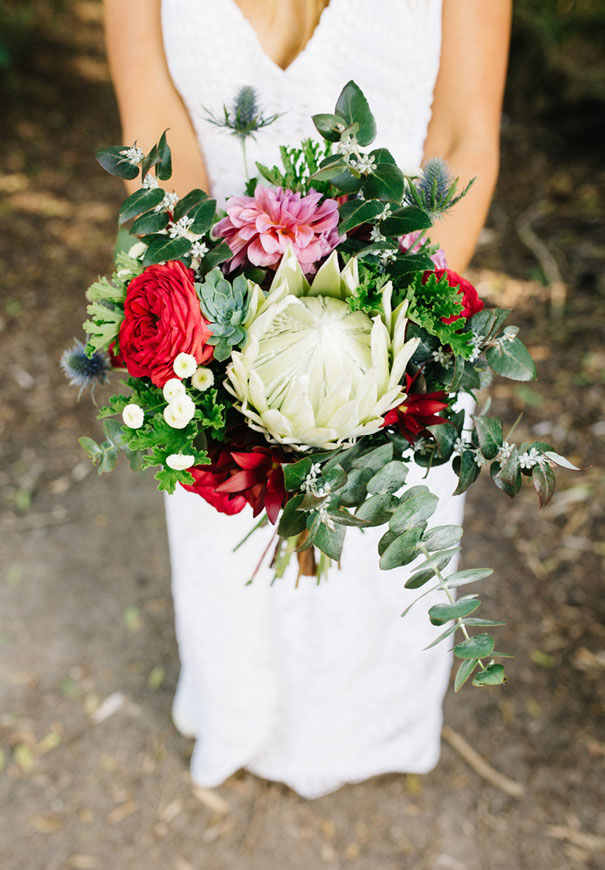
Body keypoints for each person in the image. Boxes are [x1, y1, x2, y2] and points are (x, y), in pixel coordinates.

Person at [103, 0, 512, 799]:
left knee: (375, 558)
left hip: (399, 312)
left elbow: (464, 141)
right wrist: (226, 326)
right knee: (234, 547)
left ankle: (373, 724)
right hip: (219, 314)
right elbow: (156, 134)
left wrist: (379, 345)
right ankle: (240, 711)